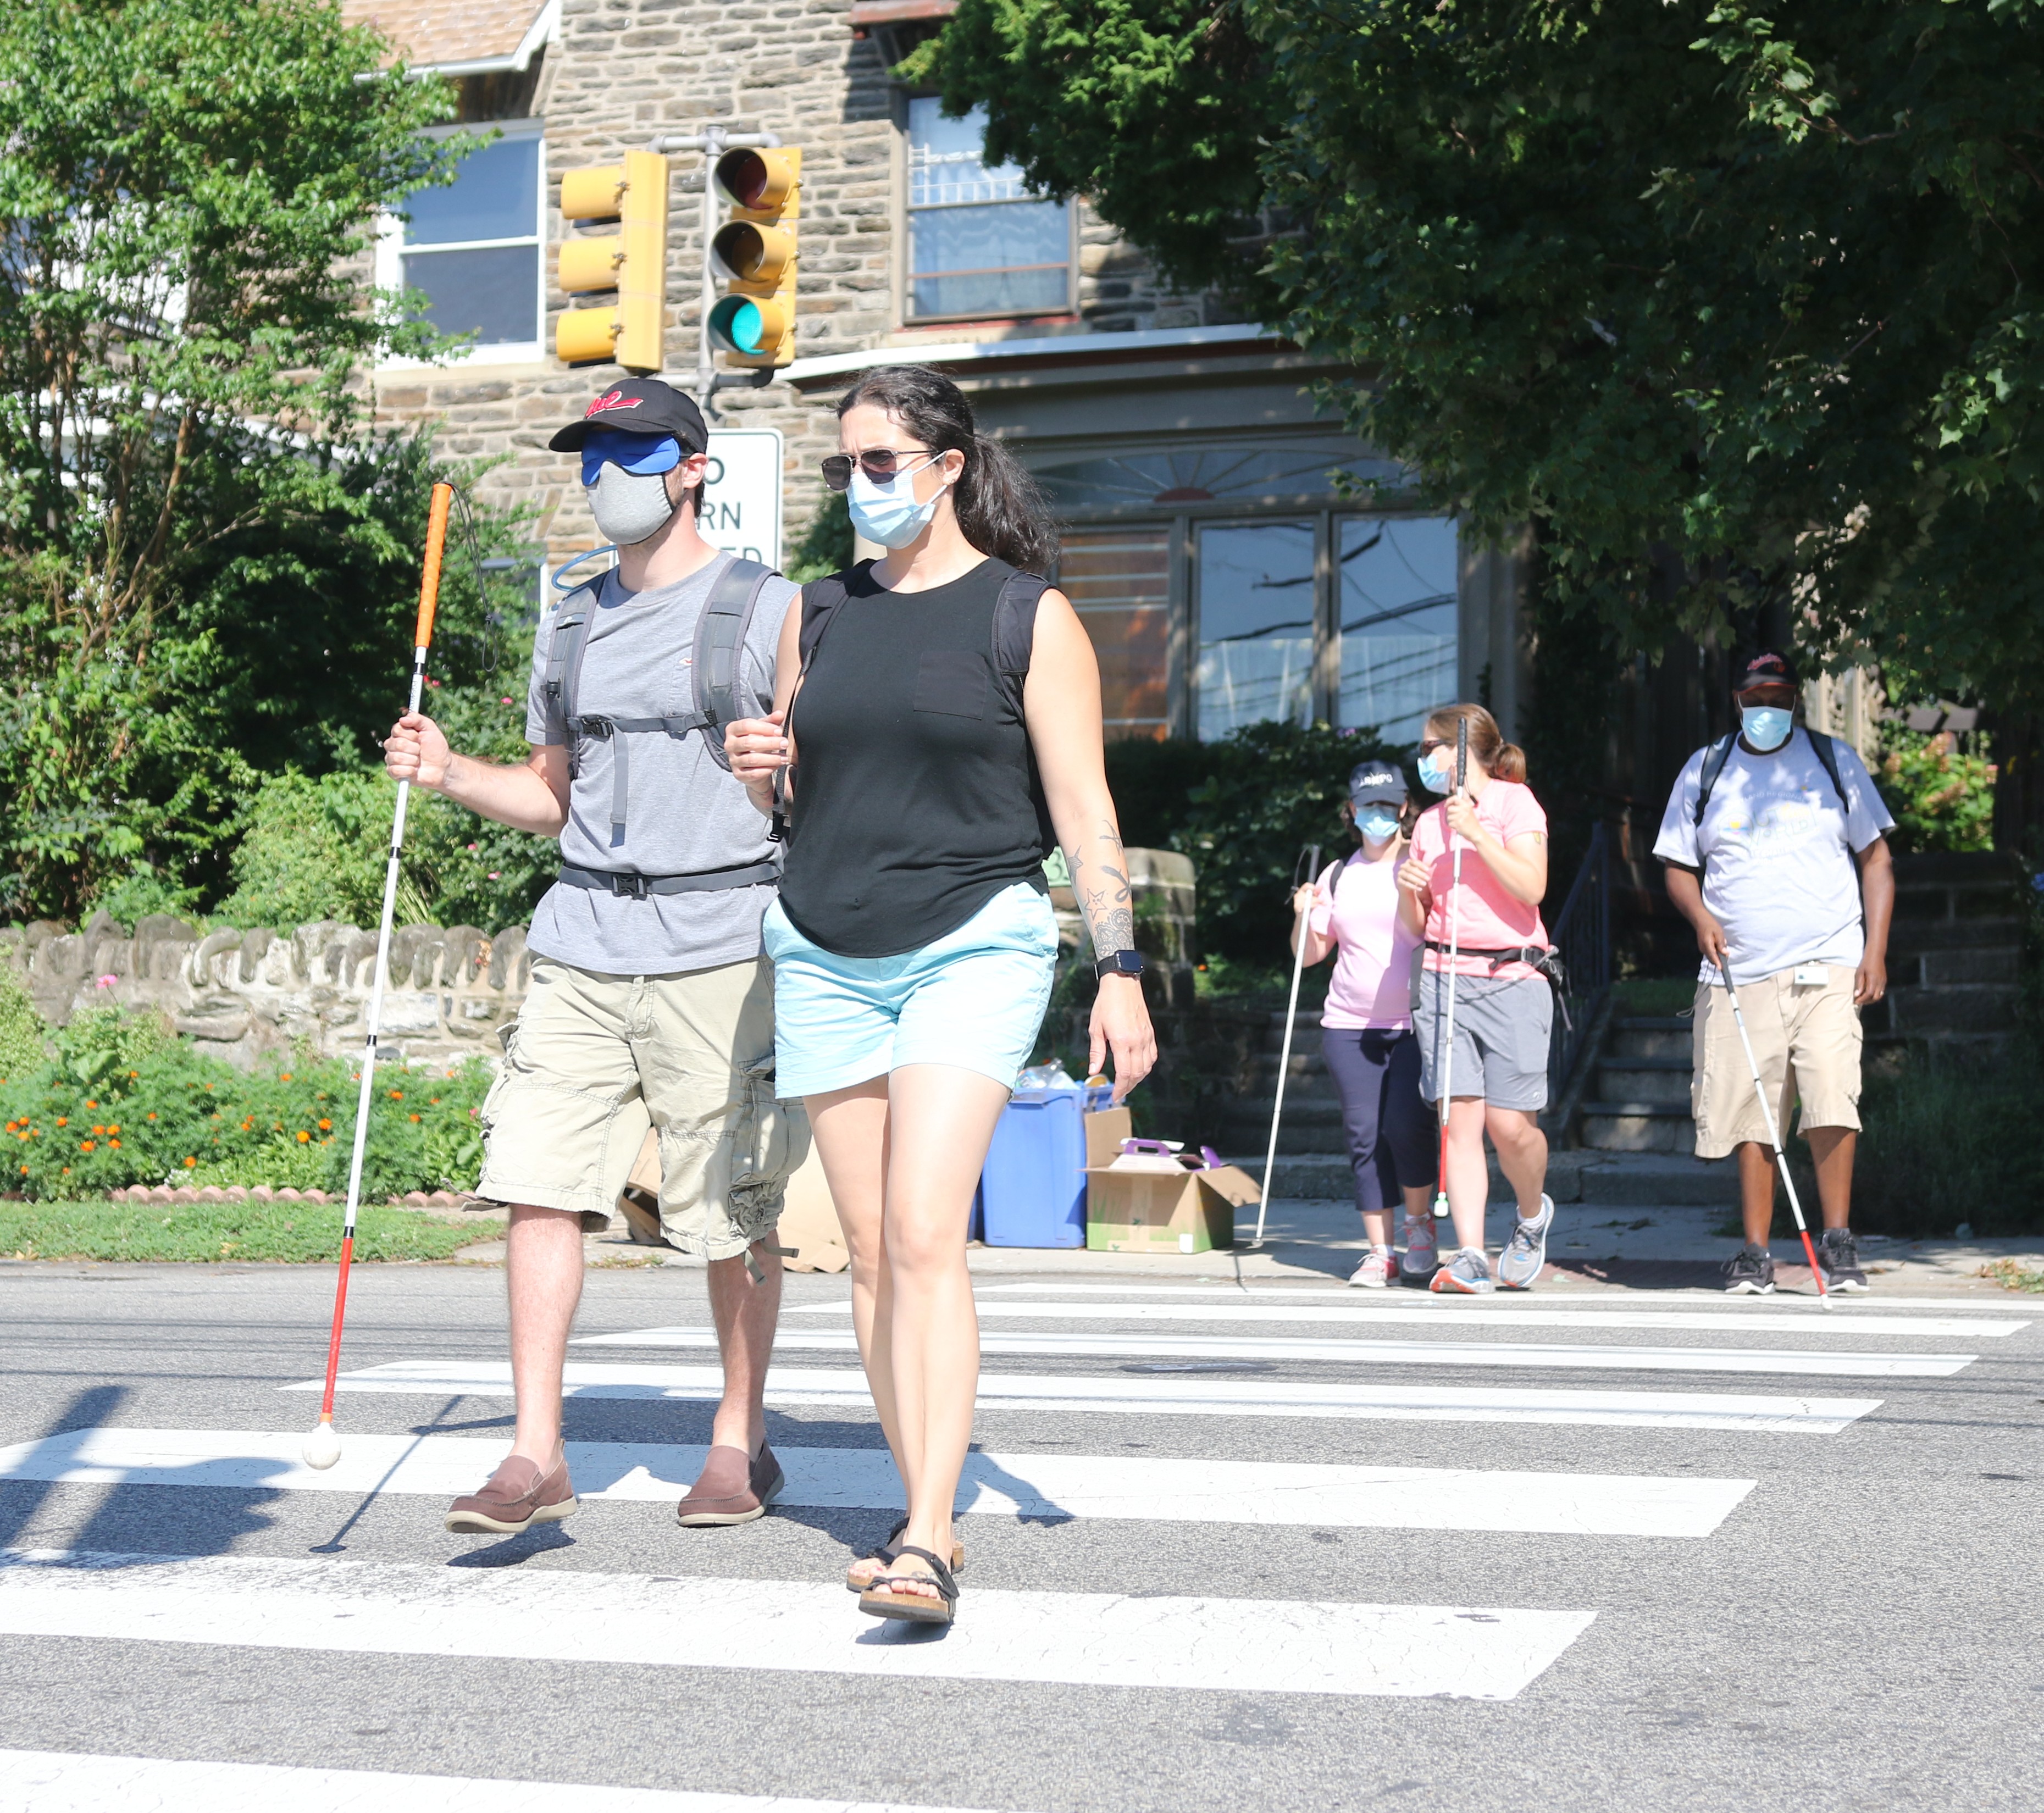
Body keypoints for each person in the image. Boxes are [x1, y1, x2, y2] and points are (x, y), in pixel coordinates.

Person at [725, 364, 1156, 1626]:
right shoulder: (820, 612)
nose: (856, 486)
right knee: (867, 1253)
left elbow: (1085, 814)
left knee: (924, 1232)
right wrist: (762, 771)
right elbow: (797, 799)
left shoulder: (1030, 617)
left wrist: (1119, 967)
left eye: (876, 463)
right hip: (822, 946)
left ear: (948, 466)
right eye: (841, 466)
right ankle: (926, 1499)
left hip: (974, 938)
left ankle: (923, 1537)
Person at [383, 377, 808, 1535]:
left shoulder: (770, 611)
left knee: (731, 1207)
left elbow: (815, 793)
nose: (600, 472)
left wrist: (779, 767)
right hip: (581, 937)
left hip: (721, 941)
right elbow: (549, 794)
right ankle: (534, 1452)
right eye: (589, 452)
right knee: (535, 1182)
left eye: (629, 450)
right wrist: (450, 772)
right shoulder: (568, 617)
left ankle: (737, 1441)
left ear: (690, 467)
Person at [1653, 649, 1895, 1295]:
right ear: (1738, 701)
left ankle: (1837, 1242)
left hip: (1827, 959)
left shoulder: (1831, 760)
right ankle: (1755, 1252)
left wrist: (1873, 952)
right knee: (1749, 1111)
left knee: (1830, 1095)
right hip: (1739, 969)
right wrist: (1699, 916)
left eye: (1780, 698)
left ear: (1795, 700)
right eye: (1756, 699)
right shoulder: (1706, 769)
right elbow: (1676, 864)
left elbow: (1875, 858)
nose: (1768, 709)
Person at [1396, 704, 1556, 1295]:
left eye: (1432, 746)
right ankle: (1468, 1252)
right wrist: (1407, 891)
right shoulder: (1429, 822)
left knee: (1509, 1125)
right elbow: (1415, 927)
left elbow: (1531, 887)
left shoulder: (1516, 804)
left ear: (1465, 750)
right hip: (1443, 976)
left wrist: (1477, 835)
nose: (1425, 759)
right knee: (1457, 1120)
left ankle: (1531, 1211)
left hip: (1512, 976)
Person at [1290, 759, 1438, 1288]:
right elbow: (1307, 955)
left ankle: (1420, 1229)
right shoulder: (1336, 873)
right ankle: (1381, 1251)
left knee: (1406, 1125)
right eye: (1365, 805)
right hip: (1348, 1025)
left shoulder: (1418, 865)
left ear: (1403, 809)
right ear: (1351, 811)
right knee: (1364, 1136)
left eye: (1386, 804)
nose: (1376, 814)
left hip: (1412, 1023)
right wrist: (1303, 912)